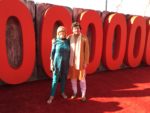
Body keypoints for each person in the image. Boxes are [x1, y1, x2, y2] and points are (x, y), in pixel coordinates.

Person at [47, 26, 70, 104]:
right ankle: (52, 95)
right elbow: (52, 54)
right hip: (56, 63)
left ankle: (62, 92)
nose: (62, 33)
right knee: (55, 80)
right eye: (60, 32)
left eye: (63, 31)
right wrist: (51, 64)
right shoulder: (55, 41)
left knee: (64, 78)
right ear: (58, 33)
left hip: (65, 64)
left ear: (65, 33)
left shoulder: (68, 41)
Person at [68, 22, 90, 102]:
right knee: (73, 78)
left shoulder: (84, 38)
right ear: (72, 30)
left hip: (81, 62)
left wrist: (85, 62)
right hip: (72, 62)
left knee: (82, 79)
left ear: (80, 29)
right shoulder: (69, 37)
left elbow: (87, 51)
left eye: (78, 28)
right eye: (74, 28)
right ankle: (75, 92)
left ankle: (83, 94)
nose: (76, 30)